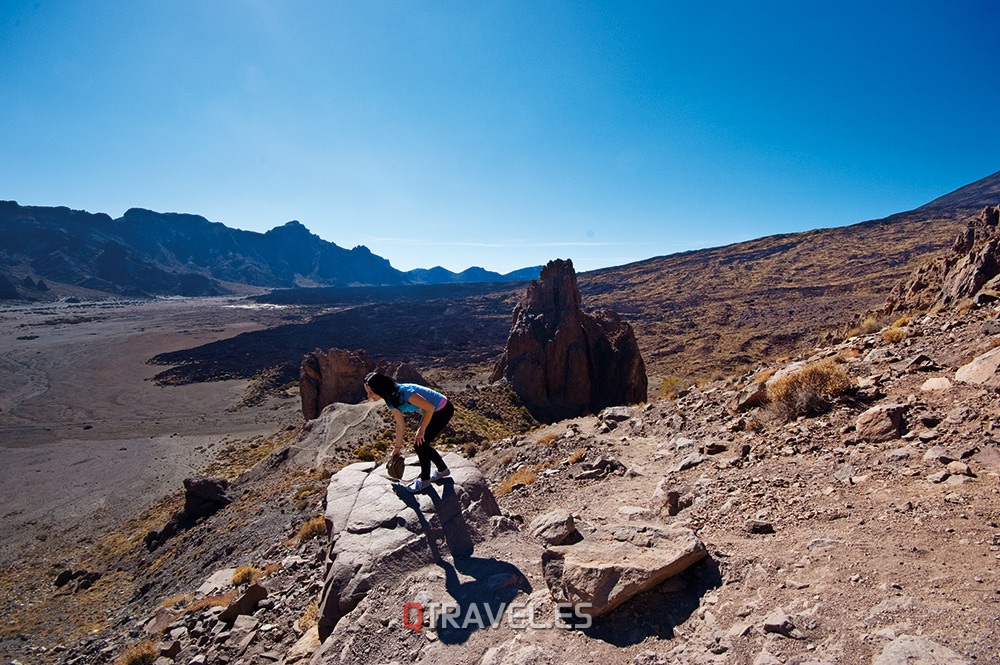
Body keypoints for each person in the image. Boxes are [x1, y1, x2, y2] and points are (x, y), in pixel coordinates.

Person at [364, 372, 452, 493]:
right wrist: (397, 448)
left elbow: (430, 408)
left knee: (420, 444)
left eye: (371, 392)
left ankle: (425, 480)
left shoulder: (405, 392)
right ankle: (442, 470)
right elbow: (400, 424)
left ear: (379, 389)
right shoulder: (390, 399)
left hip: (443, 409)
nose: (368, 396)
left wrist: (421, 430)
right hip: (432, 411)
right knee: (421, 443)